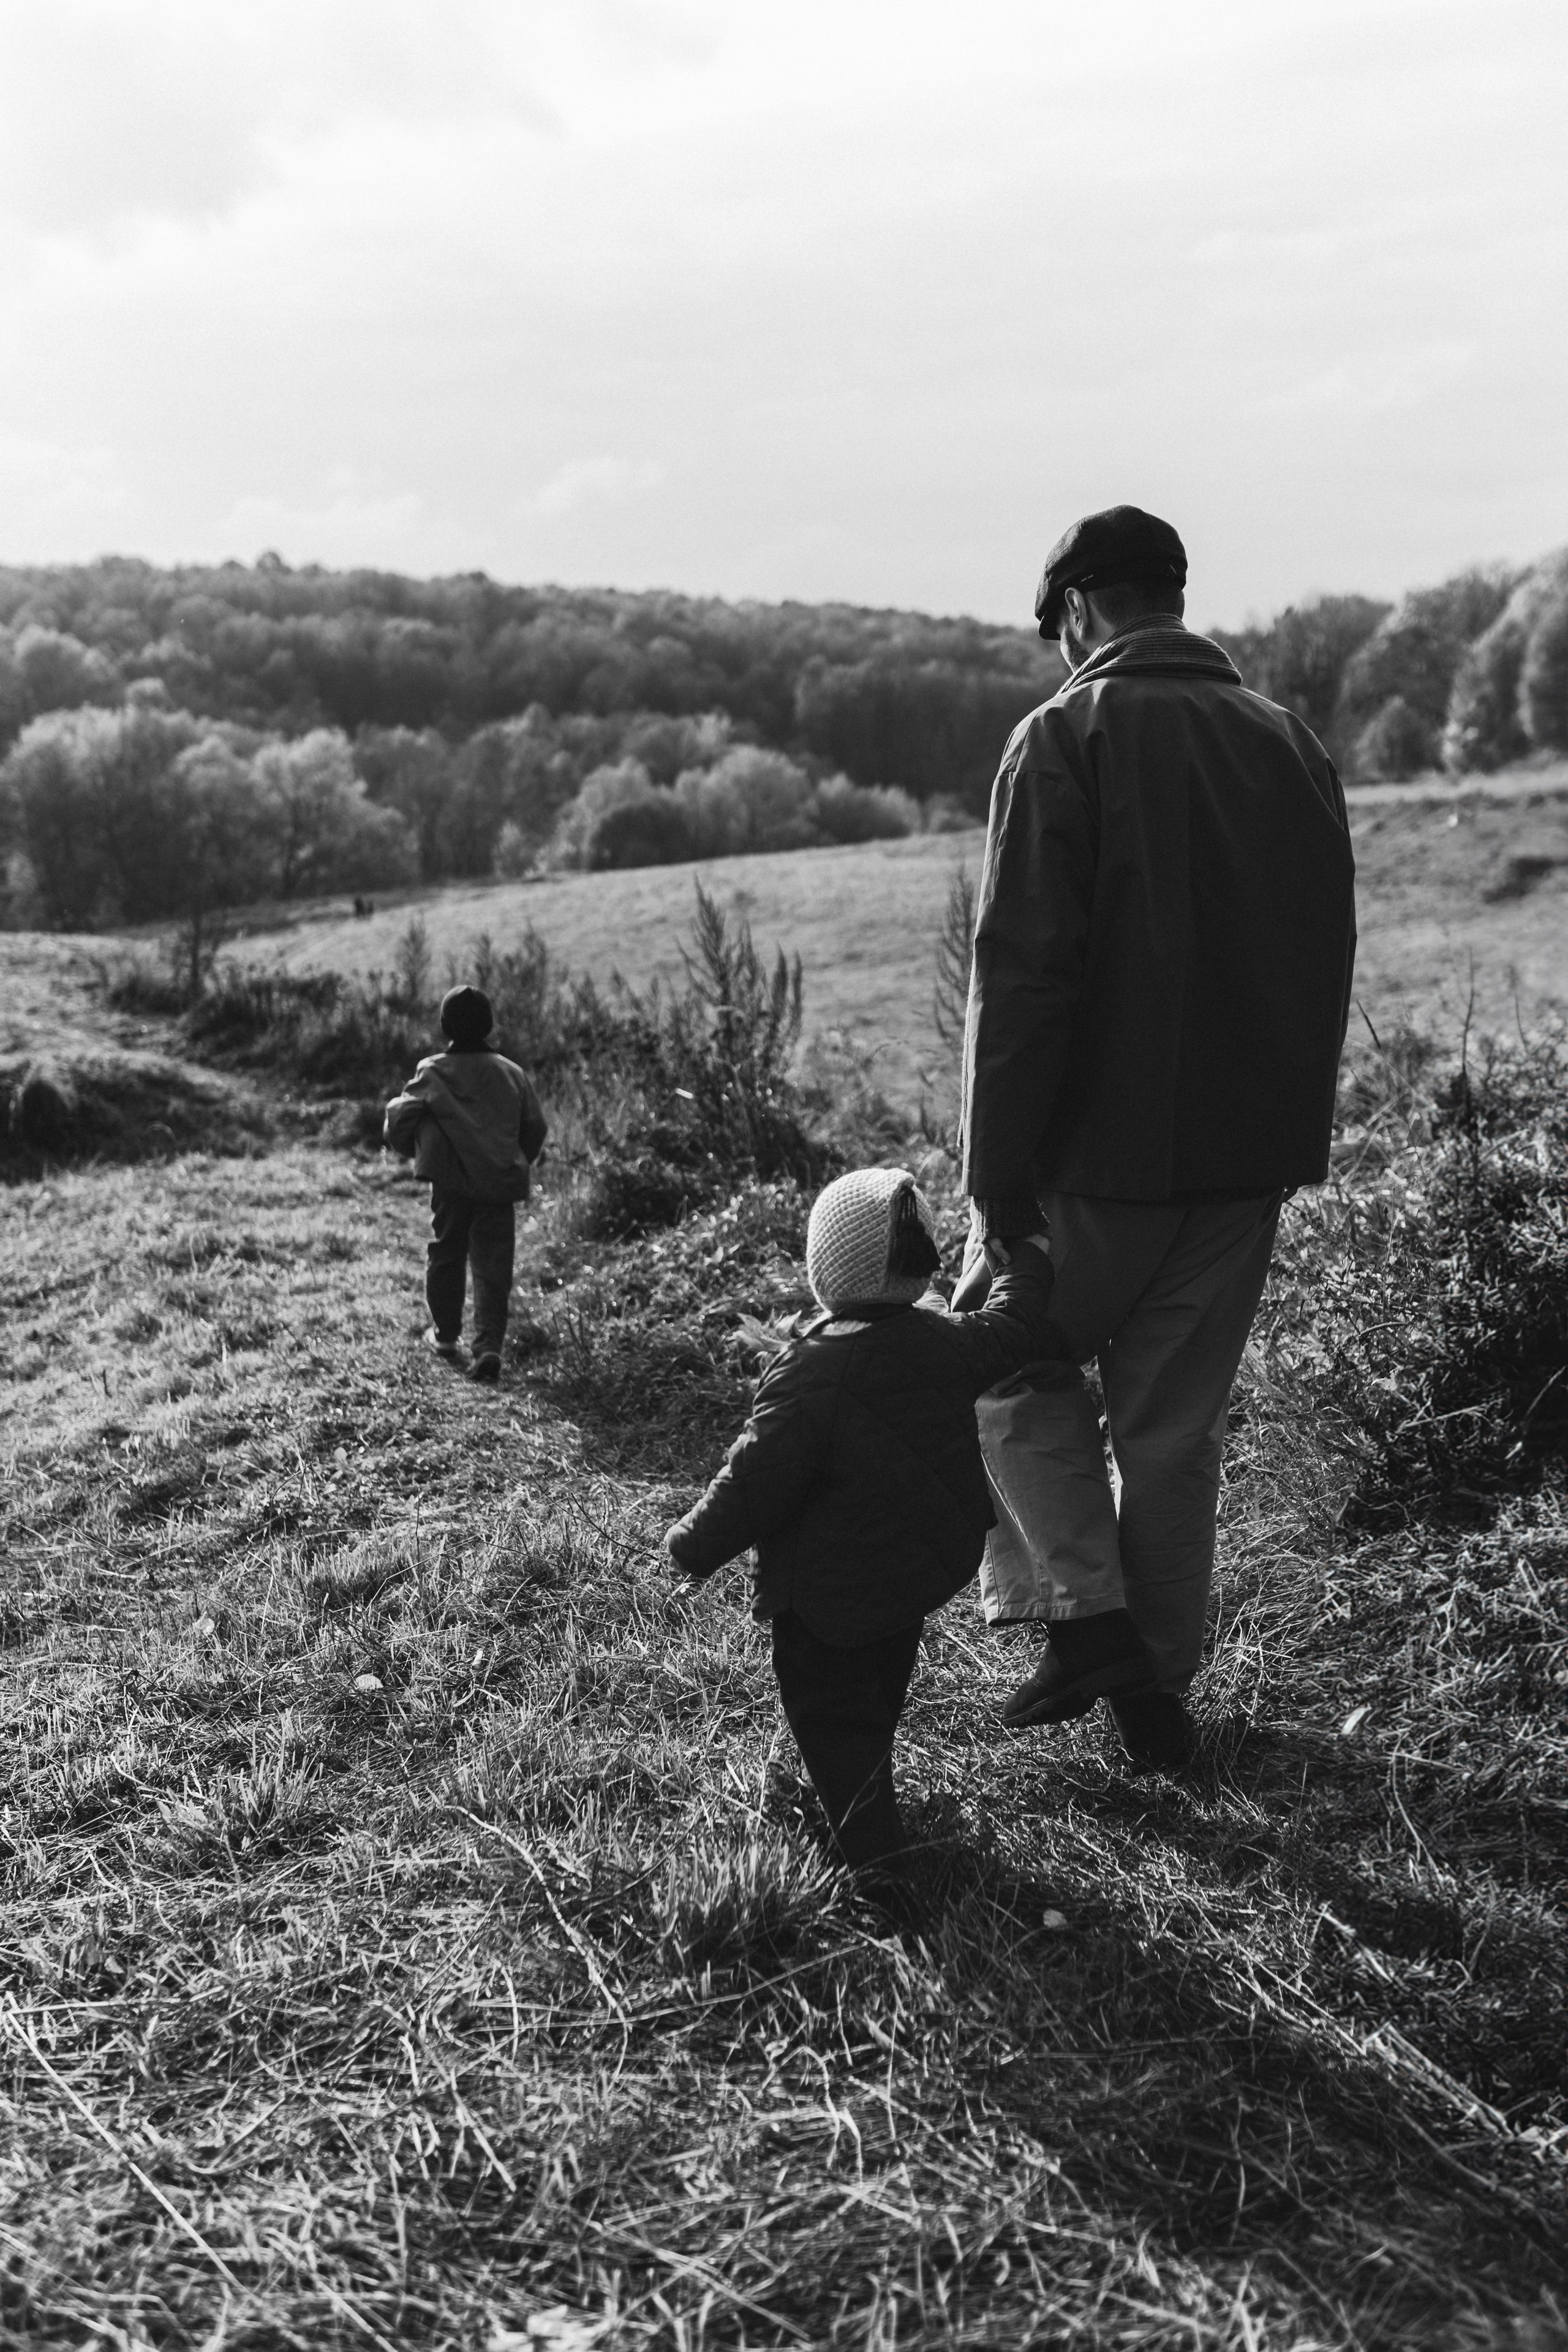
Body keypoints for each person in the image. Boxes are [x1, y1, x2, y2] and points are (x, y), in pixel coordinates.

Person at [958, 504, 1357, 1770]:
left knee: (995, 1369)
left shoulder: (1060, 735)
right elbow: (1324, 953)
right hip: (1246, 1162)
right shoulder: (1288, 742)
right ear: (1172, 596)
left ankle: (1087, 1626)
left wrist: (993, 1183)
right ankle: (1157, 1699)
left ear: (1077, 610)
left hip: (1090, 1161)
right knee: (1174, 1438)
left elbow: (1022, 975)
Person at [665, 1166, 1065, 1881]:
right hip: (913, 1575)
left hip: (826, 1599)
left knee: (834, 1725)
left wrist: (690, 1545)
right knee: (876, 1695)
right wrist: (1025, 1258)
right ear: (917, 1264)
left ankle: (878, 1867)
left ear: (824, 1268)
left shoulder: (810, 1372)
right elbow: (1015, 1323)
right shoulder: (950, 1341)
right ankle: (865, 1798)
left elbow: (755, 1478)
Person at [382, 984, 548, 1384]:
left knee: (446, 1253)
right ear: (489, 1025)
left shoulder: (433, 1070)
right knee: (493, 1265)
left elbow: (400, 1120)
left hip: (450, 1181)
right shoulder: (512, 1073)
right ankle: (489, 1346)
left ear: (445, 1026)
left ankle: (445, 1336)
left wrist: (413, 1146)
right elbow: (535, 1127)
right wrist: (514, 1160)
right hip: (498, 1183)